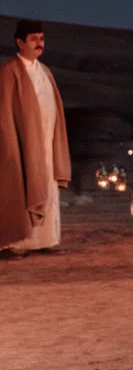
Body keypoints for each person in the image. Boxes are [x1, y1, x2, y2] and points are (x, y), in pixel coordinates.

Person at [1, 19, 71, 258]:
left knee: (48, 186)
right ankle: (16, 243)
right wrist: (11, 143)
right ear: (20, 42)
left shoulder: (45, 71)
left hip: (46, 141)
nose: (39, 44)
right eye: (33, 40)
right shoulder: (9, 72)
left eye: (41, 39)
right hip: (22, 144)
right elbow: (4, 113)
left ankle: (45, 240)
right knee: (20, 187)